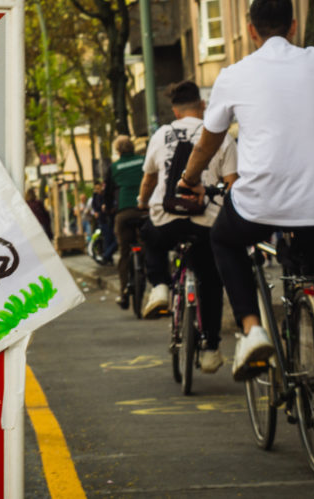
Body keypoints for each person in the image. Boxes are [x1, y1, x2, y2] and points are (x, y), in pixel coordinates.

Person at [177, 0, 314, 422]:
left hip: (263, 201)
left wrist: (187, 178)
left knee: (223, 239)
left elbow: (210, 139)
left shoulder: (234, 74)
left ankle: (252, 329)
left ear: (251, 30)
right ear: (294, 27)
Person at [136, 80, 237, 372]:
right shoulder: (220, 136)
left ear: (175, 111)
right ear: (202, 106)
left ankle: (159, 288)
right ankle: (210, 348)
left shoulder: (161, 135)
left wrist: (143, 202)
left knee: (149, 235)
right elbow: (232, 184)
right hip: (207, 222)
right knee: (210, 278)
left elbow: (149, 179)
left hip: (167, 218)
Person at [104, 135, 145, 309]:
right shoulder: (143, 161)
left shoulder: (114, 168)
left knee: (124, 253)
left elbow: (107, 192)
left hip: (124, 213)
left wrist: (108, 209)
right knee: (147, 246)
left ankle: (123, 293)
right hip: (144, 210)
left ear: (118, 151)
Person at [90, 180, 116, 264]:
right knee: (108, 239)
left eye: (99, 188)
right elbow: (94, 206)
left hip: (106, 219)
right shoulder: (96, 195)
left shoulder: (104, 195)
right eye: (96, 188)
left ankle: (107, 257)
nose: (98, 190)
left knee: (109, 239)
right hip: (103, 220)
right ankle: (107, 256)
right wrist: (96, 212)